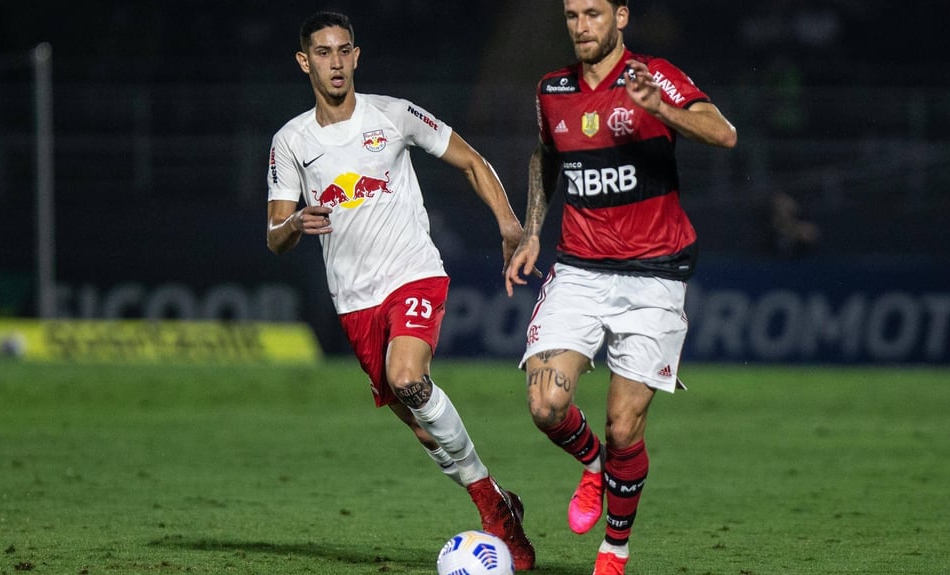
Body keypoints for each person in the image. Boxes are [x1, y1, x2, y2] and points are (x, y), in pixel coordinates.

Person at [265, 11, 535, 571]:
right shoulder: (290, 141)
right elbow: (274, 235)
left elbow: (471, 160)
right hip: (354, 302)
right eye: (322, 52)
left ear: (356, 56)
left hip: (413, 273)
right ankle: (497, 500)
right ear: (304, 61)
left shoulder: (393, 115)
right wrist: (293, 226)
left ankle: (492, 514)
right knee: (419, 421)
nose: (335, 62)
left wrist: (509, 223)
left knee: (409, 377)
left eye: (343, 50)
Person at [504, 1, 737, 573]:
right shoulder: (553, 89)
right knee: (545, 404)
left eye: (593, 13)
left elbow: (723, 134)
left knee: (622, 426)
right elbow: (546, 156)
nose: (582, 26)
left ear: (621, 16)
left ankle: (615, 547)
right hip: (581, 270)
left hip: (655, 275)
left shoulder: (651, 76)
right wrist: (533, 230)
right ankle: (592, 467)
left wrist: (661, 107)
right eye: (572, 15)